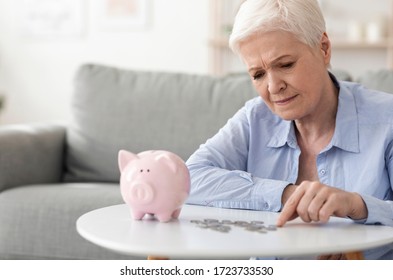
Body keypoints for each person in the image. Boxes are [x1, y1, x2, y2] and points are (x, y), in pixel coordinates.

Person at [186, 0, 393, 260]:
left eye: (285, 65)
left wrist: (356, 205)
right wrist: (286, 194)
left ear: (324, 48)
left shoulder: (387, 120)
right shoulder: (254, 119)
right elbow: (188, 179)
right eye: (258, 74)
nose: (273, 87)